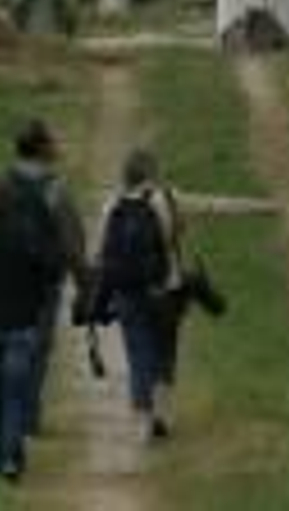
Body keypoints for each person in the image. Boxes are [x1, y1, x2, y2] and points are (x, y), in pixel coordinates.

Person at [0, 175, 63, 480]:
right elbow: (46, 273)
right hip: (21, 325)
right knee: (14, 394)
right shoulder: (25, 233)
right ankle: (11, 458)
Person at [95, 148, 186, 441]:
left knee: (138, 354)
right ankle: (162, 413)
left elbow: (101, 253)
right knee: (165, 352)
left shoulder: (111, 205)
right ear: (152, 173)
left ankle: (142, 418)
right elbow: (174, 235)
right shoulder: (165, 199)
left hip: (126, 291)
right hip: (165, 289)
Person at [7, 119, 89, 437]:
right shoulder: (55, 189)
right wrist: (84, 281)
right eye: (53, 141)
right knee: (36, 349)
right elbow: (71, 239)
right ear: (42, 148)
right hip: (43, 282)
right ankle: (27, 418)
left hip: (4, 280)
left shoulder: (1, 184)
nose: (58, 146)